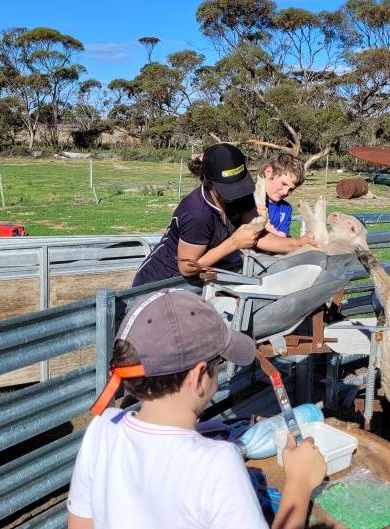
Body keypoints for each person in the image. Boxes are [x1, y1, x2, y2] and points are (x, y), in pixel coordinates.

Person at [67, 289, 327, 529]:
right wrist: (299, 484)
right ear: (198, 375)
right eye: (219, 364)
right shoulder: (216, 464)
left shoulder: (102, 428)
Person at [132, 144, 314, 287]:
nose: (237, 193)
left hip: (200, 281)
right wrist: (234, 242)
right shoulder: (197, 212)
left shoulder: (241, 195)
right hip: (161, 283)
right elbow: (187, 267)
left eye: (239, 184)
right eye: (230, 188)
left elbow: (258, 237)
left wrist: (298, 244)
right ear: (210, 181)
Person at [261, 153, 305, 238]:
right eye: (284, 184)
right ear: (269, 172)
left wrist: (270, 230)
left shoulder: (286, 208)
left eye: (291, 189)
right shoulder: (249, 201)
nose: (286, 192)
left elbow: (283, 236)